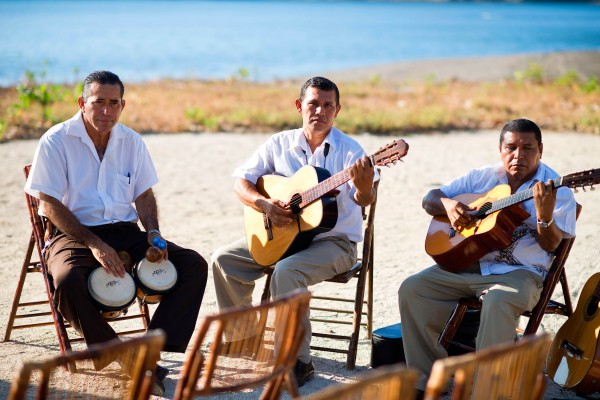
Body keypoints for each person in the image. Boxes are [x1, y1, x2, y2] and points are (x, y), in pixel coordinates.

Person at [25, 70, 208, 396]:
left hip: (126, 232)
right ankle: (125, 357)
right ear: (83, 103)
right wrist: (93, 243)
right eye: (98, 102)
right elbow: (49, 203)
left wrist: (153, 233)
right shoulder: (56, 140)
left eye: (113, 103)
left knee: (194, 264)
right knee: (67, 282)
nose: (106, 111)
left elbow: (144, 195)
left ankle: (150, 352)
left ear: (122, 105)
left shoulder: (131, 141)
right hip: (73, 233)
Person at [212, 76, 378, 386]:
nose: (320, 111)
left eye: (328, 105)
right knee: (224, 260)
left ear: (337, 110)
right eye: (313, 103)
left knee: (286, 272)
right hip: (286, 238)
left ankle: (299, 361)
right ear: (299, 106)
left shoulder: (351, 151)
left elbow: (364, 199)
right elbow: (241, 182)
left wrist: (365, 185)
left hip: (335, 243)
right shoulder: (279, 143)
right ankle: (245, 339)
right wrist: (265, 205)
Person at [398, 118, 577, 392]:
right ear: (500, 149)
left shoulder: (556, 190)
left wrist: (543, 216)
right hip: (470, 264)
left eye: (528, 148)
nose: (519, 155)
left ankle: (487, 390)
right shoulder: (481, 176)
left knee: (497, 299)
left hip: (522, 275)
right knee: (413, 289)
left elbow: (552, 246)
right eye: (512, 147)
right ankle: (426, 382)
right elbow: (429, 199)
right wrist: (448, 204)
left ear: (540, 150)